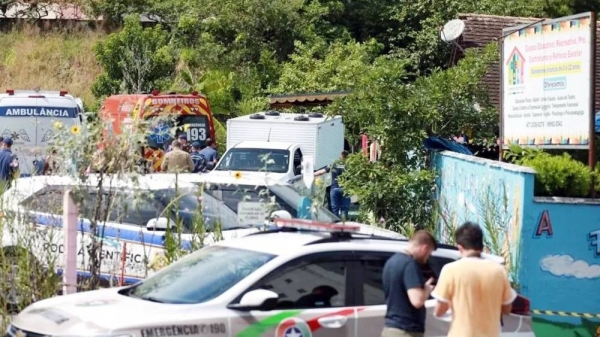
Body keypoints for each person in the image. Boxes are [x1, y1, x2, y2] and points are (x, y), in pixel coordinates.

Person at [431, 222, 517, 337]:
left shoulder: (450, 270)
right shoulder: (499, 271)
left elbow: (439, 311)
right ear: (481, 245)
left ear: (460, 247)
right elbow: (507, 309)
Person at [381, 230, 437, 337]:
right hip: (406, 331)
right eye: (428, 254)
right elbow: (417, 300)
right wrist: (426, 289)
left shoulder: (391, 262)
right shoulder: (409, 264)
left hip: (390, 329)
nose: (427, 259)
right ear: (424, 248)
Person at [314, 150, 350, 219]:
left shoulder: (334, 164)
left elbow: (322, 172)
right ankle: (344, 225)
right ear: (347, 157)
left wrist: (312, 174)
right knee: (344, 208)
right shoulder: (349, 166)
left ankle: (335, 223)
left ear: (340, 156)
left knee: (334, 208)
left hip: (334, 189)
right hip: (345, 189)